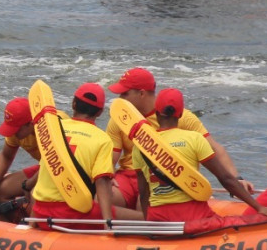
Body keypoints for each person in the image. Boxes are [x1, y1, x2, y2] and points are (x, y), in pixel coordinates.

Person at [105, 66, 251, 208]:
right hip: (129, 176)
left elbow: (214, 148)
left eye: (124, 94)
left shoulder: (180, 116)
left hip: (166, 176)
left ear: (141, 93)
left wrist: (236, 178)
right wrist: (107, 176)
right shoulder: (120, 119)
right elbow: (111, 158)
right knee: (103, 198)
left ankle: (137, 221)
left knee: (144, 203)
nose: (119, 99)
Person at [138, 88, 267, 224]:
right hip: (192, 215)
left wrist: (150, 225)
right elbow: (225, 179)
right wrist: (259, 207)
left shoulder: (141, 145)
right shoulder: (194, 139)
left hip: (158, 217)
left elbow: (144, 192)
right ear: (180, 115)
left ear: (156, 114)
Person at [28, 83, 142, 226]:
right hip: (74, 215)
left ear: (73, 104)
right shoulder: (102, 139)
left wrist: (31, 224)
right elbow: (102, 182)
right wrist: (107, 223)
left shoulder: (51, 130)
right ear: (100, 112)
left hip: (41, 212)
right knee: (142, 219)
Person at [0, 96, 41, 220]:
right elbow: (6, 156)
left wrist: (28, 184)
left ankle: (33, 230)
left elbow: (54, 164)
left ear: (31, 124)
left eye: (16, 130)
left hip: (61, 168)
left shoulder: (49, 129)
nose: (12, 133)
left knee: (36, 192)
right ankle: (13, 228)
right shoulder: (17, 130)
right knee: (0, 190)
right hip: (44, 167)